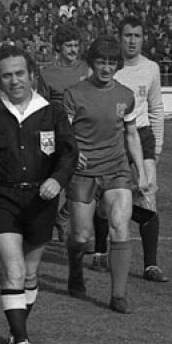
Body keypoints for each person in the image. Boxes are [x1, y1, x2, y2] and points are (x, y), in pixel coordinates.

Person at [0, 45, 77, 344]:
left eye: (19, 74)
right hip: (1, 200)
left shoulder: (51, 112)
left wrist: (58, 179)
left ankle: (18, 325)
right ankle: (22, 340)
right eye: (7, 75)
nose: (14, 81)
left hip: (41, 201)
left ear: (32, 75)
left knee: (29, 273)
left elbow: (69, 152)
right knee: (12, 271)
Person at [62, 37, 148, 313]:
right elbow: (63, 133)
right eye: (101, 62)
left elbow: (131, 134)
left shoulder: (125, 95)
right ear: (92, 63)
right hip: (83, 173)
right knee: (81, 235)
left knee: (120, 227)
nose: (106, 68)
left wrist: (143, 171)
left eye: (112, 63)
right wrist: (73, 154)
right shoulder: (74, 94)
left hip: (116, 169)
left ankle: (118, 295)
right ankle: (75, 268)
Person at [100, 16, 167, 284]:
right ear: (119, 37)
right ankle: (100, 251)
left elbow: (157, 107)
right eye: (127, 35)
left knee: (148, 192)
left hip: (142, 134)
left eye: (137, 36)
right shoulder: (110, 66)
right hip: (114, 136)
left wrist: (158, 146)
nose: (132, 40)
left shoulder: (151, 68)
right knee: (107, 196)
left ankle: (151, 264)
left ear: (143, 38)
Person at [35, 25, 91, 239]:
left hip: (84, 135)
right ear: (59, 47)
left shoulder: (86, 70)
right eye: (69, 46)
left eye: (76, 45)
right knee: (54, 181)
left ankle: (66, 220)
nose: (73, 50)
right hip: (57, 136)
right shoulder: (47, 74)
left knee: (84, 184)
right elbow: (41, 107)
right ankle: (46, 225)